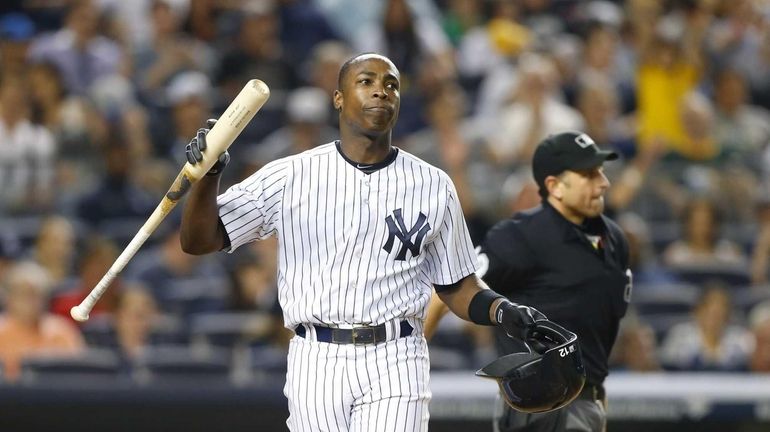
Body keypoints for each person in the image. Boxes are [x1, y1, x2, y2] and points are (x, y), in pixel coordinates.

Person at [179, 53, 544, 432]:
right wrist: (208, 175)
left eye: (391, 85)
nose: (381, 92)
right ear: (338, 98)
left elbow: (458, 286)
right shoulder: (291, 175)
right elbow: (199, 239)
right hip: (316, 356)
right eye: (366, 82)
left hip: (396, 354)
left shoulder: (435, 185)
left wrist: (504, 311)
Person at [426, 131, 631, 432]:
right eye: (589, 174)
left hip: (588, 400)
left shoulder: (613, 239)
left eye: (600, 171)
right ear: (554, 186)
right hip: (538, 405)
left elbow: (599, 338)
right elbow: (450, 288)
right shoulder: (522, 235)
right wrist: (409, 360)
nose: (603, 182)